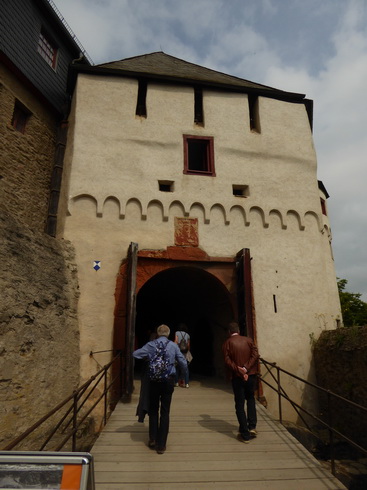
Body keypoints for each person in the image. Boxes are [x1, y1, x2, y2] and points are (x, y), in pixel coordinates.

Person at [133, 324, 188, 454]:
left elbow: (135, 354)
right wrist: (182, 375)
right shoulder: (173, 346)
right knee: (165, 411)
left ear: (157, 333)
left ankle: (153, 438)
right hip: (168, 381)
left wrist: (148, 358)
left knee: (153, 410)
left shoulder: (151, 345)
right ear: (169, 334)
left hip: (154, 381)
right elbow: (183, 362)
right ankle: (161, 445)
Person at [222, 321, 259, 443]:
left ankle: (244, 433)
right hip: (251, 375)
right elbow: (255, 354)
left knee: (239, 404)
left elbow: (227, 360)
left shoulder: (227, 343)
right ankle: (252, 426)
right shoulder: (248, 340)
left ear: (229, 332)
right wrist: (246, 368)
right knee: (251, 399)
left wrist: (239, 370)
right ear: (239, 330)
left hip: (237, 377)